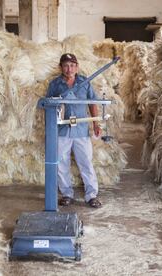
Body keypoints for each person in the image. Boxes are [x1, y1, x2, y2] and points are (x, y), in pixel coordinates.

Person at [46, 53, 102, 208]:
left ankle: (91, 195)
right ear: (61, 67)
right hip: (62, 130)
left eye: (72, 65)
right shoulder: (55, 84)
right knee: (61, 163)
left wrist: (96, 124)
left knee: (85, 162)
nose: (69, 69)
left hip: (81, 130)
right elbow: (47, 105)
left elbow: (93, 103)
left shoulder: (85, 82)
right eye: (65, 65)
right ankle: (66, 194)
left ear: (77, 67)